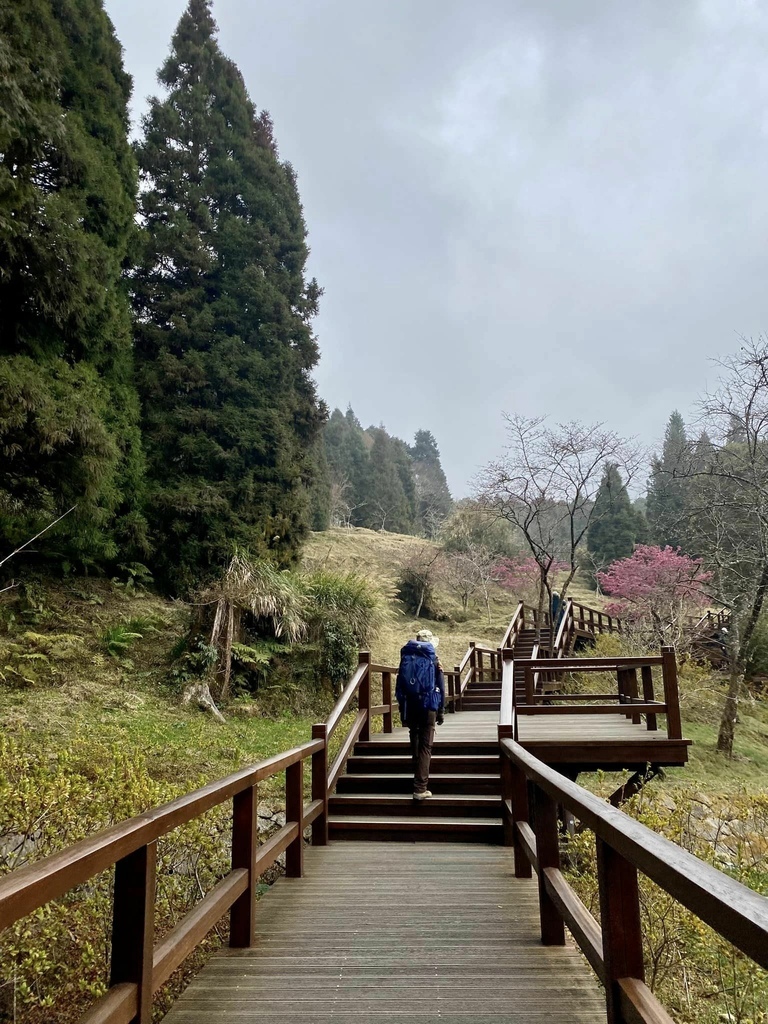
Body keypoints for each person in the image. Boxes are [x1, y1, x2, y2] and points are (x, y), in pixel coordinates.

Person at [395, 628, 445, 800]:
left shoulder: (406, 658)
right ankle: (420, 788)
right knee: (425, 745)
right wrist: (440, 712)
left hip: (410, 705)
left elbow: (399, 686)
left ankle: (416, 778)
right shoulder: (433, 660)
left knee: (414, 739)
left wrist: (403, 709)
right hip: (427, 705)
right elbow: (441, 687)